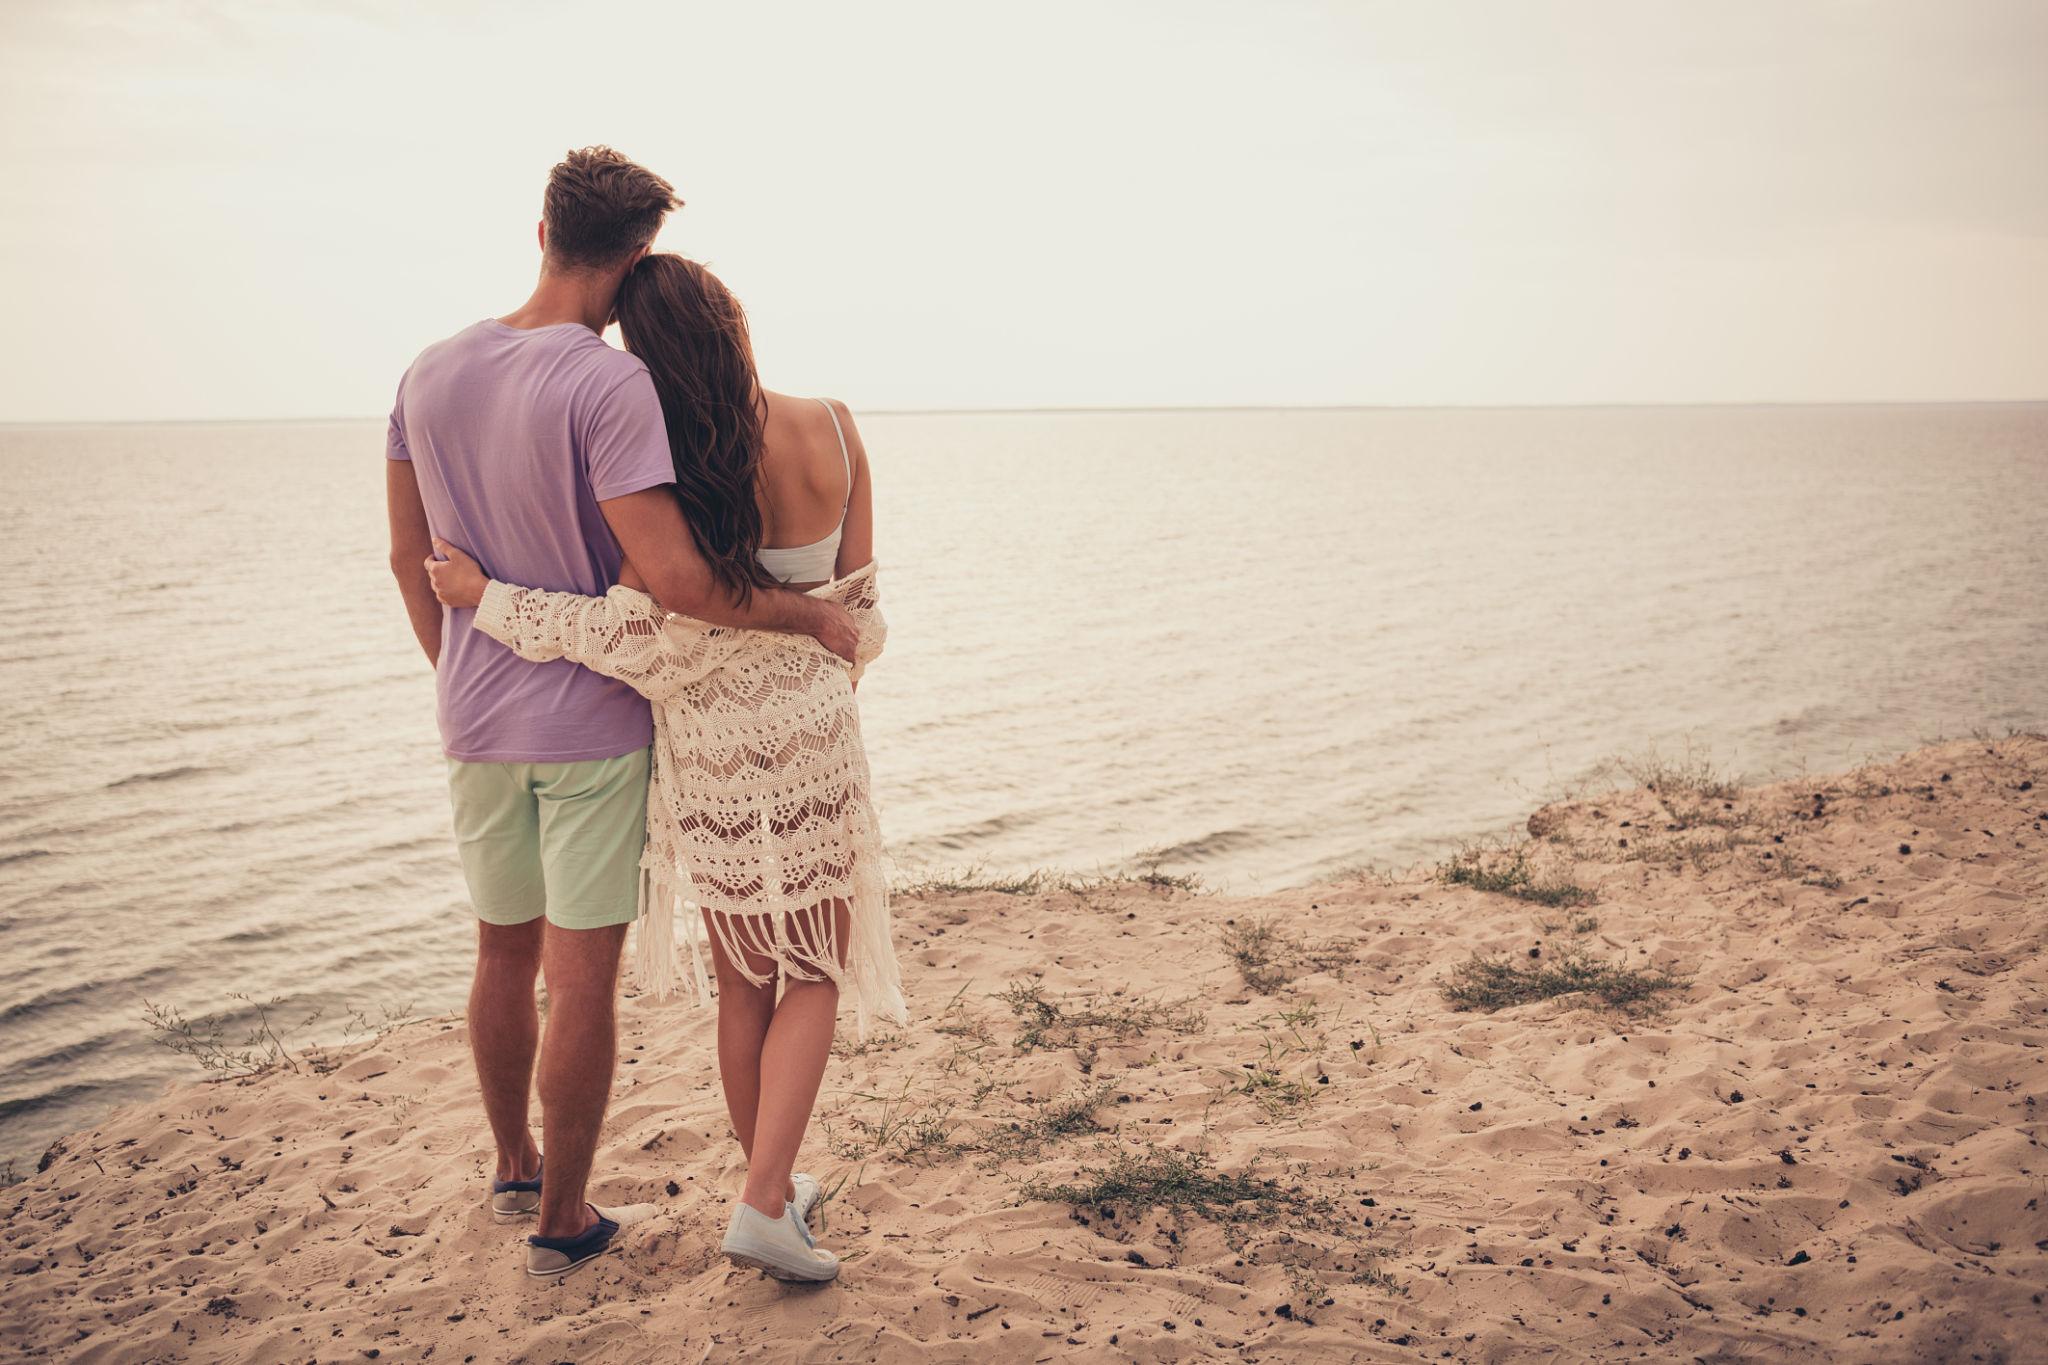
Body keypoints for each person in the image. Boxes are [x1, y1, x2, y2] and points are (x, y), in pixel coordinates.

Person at [385, 149, 858, 1279]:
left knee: (501, 953)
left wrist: (457, 663)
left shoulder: (428, 371)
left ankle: (512, 1165)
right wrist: (812, 620)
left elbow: (409, 557)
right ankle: (563, 1217)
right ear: (638, 250)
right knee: (579, 975)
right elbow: (676, 584)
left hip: (475, 711)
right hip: (593, 722)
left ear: (542, 224)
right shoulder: (609, 386)